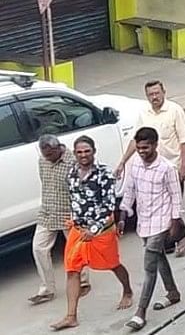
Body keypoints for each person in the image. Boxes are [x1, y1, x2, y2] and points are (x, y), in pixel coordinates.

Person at [51, 136, 133, 332]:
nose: (83, 155)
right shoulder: (71, 174)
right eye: (79, 152)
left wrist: (94, 229)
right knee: (72, 270)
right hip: (78, 231)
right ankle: (71, 316)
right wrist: (74, 220)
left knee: (113, 264)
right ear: (75, 153)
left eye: (87, 151)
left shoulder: (104, 174)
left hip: (101, 231)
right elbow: (74, 200)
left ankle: (128, 291)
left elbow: (108, 206)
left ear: (94, 151)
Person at [118, 127, 183, 332]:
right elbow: (129, 190)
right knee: (159, 257)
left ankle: (140, 312)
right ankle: (172, 293)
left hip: (161, 222)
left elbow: (176, 197)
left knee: (149, 266)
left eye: (145, 147)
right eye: (138, 148)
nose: (142, 151)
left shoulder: (167, 168)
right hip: (143, 222)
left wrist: (175, 222)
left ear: (155, 145)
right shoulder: (135, 163)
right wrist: (122, 215)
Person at [117, 80, 185, 255]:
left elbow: (184, 139)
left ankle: (181, 234)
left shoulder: (175, 111)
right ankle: (165, 243)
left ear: (164, 92)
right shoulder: (144, 113)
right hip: (151, 170)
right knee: (160, 210)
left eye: (157, 93)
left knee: (175, 206)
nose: (154, 97)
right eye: (151, 94)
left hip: (171, 168)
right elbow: (136, 141)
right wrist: (123, 162)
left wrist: (184, 165)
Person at [30, 135, 87, 306]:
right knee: (38, 247)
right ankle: (47, 289)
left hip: (68, 213)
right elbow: (44, 183)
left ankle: (83, 282)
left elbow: (80, 190)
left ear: (57, 149)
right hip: (47, 211)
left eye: (49, 154)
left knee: (75, 249)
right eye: (44, 154)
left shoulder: (72, 162)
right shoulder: (42, 161)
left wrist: (79, 214)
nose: (46, 158)